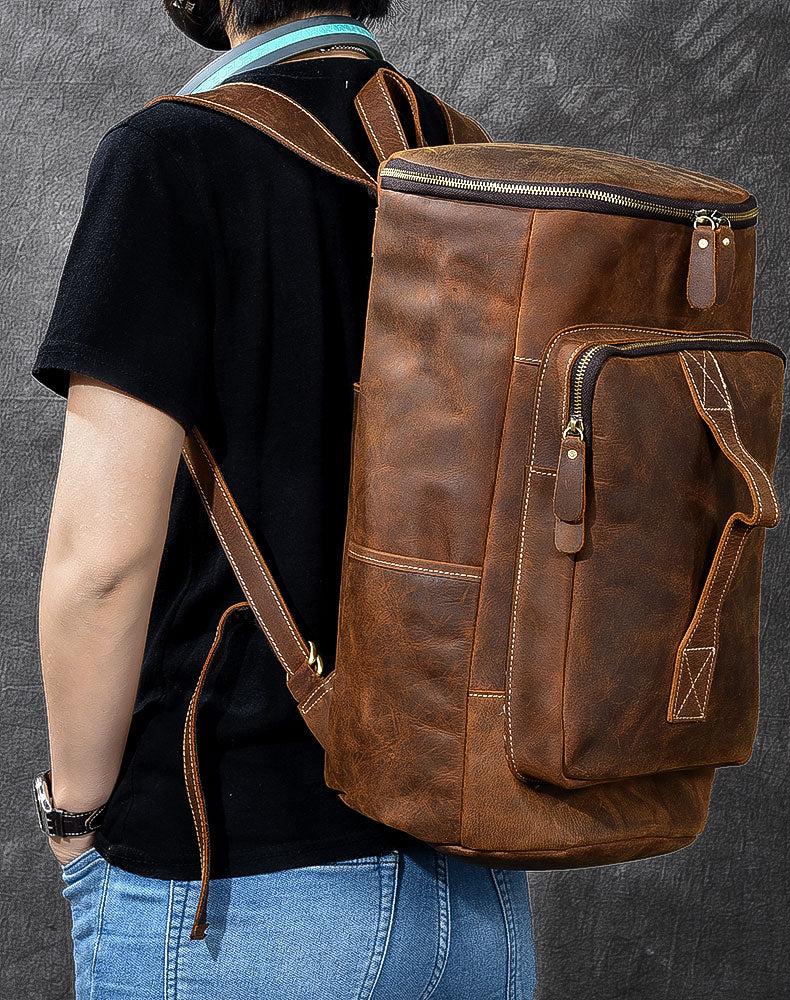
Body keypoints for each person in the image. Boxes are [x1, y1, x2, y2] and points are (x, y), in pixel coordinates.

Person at [30, 2, 536, 997]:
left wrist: (75, 822)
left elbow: (102, 564)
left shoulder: (169, 158)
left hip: (239, 888)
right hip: (476, 886)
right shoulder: (478, 165)